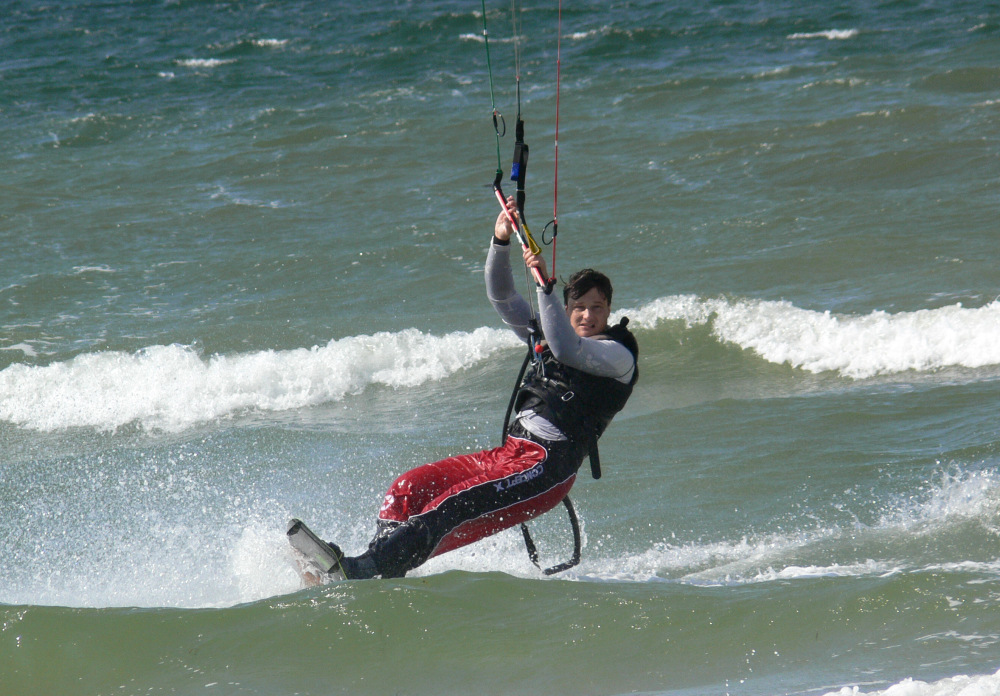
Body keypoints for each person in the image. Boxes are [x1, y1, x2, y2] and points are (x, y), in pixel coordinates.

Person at [327, 200, 639, 579]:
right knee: (408, 487)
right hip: (509, 453)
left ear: (609, 311)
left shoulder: (617, 355)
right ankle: (383, 564)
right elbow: (503, 297)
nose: (588, 316)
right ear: (567, 307)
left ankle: (365, 568)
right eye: (579, 307)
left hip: (546, 467)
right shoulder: (549, 331)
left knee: (451, 505)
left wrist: (544, 285)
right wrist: (500, 240)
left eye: (598, 308)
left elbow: (566, 349)